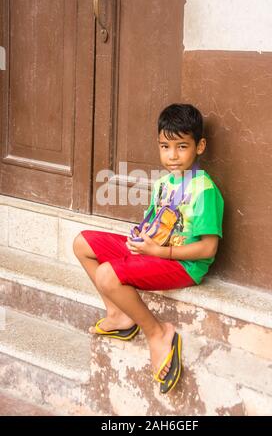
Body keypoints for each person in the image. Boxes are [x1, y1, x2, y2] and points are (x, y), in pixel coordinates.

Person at [73, 103, 224, 394]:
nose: (172, 155)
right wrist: (140, 237)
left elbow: (207, 248)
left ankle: (157, 332)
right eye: (165, 146)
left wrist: (160, 252)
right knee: (82, 242)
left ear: (200, 146)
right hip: (155, 252)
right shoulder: (164, 184)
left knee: (108, 275)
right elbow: (154, 220)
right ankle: (118, 315)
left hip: (182, 264)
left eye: (182, 146)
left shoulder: (203, 190)